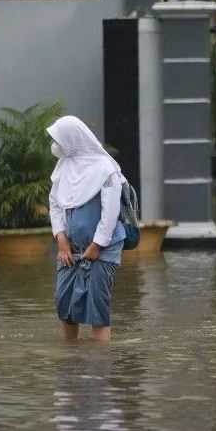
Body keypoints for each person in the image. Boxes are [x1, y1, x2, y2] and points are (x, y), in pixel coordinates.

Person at [48, 116, 127, 342]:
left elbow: (110, 212)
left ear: (73, 139)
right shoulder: (63, 167)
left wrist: (96, 245)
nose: (56, 144)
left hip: (101, 250)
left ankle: (100, 367)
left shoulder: (105, 169)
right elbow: (54, 203)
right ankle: (70, 362)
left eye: (59, 139)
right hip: (69, 250)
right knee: (65, 305)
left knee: (97, 309)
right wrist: (60, 238)